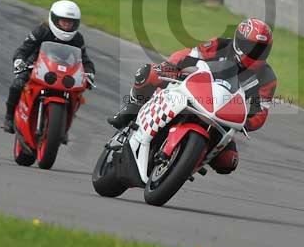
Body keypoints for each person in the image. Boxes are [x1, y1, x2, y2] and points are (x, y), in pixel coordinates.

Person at [107, 18, 277, 175]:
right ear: (239, 42)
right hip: (193, 92)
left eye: (261, 49)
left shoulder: (267, 78)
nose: (256, 53)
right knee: (149, 72)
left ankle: (190, 161)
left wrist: (246, 122)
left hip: (221, 117)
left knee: (228, 161)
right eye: (252, 47)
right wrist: (171, 66)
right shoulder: (219, 45)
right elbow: (189, 54)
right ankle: (131, 109)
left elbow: (261, 110)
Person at [3, 0, 95, 133]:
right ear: (55, 19)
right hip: (36, 66)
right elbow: (23, 50)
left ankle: (63, 125)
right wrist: (19, 61)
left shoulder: (77, 38)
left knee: (77, 95)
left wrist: (89, 72)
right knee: (17, 84)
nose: (67, 25)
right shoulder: (42, 31)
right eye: (64, 21)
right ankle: (9, 118)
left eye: (70, 22)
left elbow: (85, 60)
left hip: (64, 73)